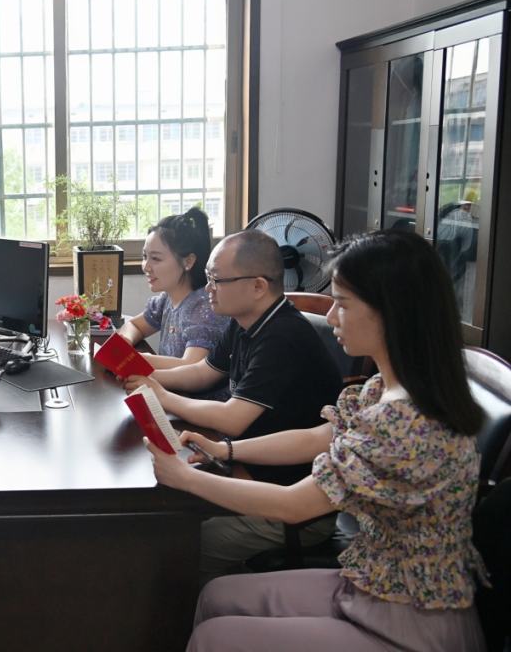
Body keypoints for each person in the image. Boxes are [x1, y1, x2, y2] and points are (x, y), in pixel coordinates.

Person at [145, 230, 487, 651]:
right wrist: (225, 449)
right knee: (216, 596)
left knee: (213, 636)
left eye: (343, 304)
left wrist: (184, 477)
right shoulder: (381, 389)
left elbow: (294, 505)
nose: (332, 317)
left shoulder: (404, 418)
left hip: (411, 620)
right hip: (369, 583)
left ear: (391, 312)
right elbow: (318, 436)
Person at [124, 229, 343, 584]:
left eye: (217, 280)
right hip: (248, 468)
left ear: (257, 286)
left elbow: (233, 419)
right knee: (155, 522)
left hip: (290, 499)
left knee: (173, 546)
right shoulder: (245, 321)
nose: (208, 288)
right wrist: (146, 375)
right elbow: (202, 372)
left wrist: (161, 396)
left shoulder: (282, 336)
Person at [117, 207, 230, 399]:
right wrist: (126, 342)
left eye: (155, 259)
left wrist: (139, 360)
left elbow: (192, 366)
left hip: (198, 407)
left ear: (188, 262)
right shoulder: (166, 300)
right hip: (170, 395)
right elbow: (134, 325)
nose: (146, 267)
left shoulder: (204, 307)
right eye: (145, 257)